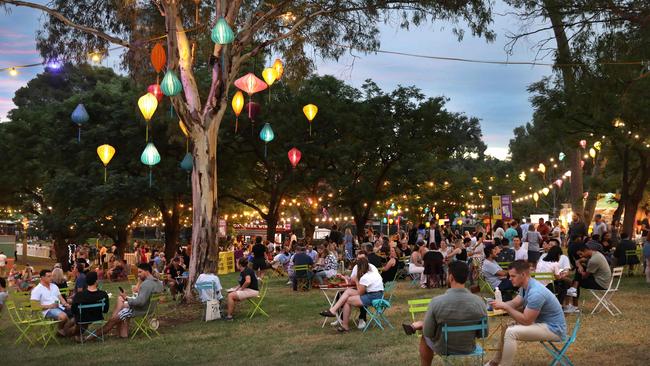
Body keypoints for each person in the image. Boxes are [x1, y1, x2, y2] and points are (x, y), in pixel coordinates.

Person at [401, 261, 487, 365]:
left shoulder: (436, 302)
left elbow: (428, 332)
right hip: (469, 347)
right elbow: (483, 333)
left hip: (445, 348)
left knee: (425, 336)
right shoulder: (479, 302)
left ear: (450, 277)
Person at [486, 260, 567, 366]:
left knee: (511, 332)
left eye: (513, 276)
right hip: (544, 324)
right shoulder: (525, 287)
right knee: (507, 327)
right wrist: (498, 305)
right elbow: (514, 303)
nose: (510, 279)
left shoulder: (536, 292)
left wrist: (505, 307)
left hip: (555, 329)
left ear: (523, 274)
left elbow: (526, 320)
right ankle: (494, 362)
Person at [319, 257, 383, 333]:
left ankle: (342, 323)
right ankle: (334, 312)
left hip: (373, 296)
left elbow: (360, 292)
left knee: (347, 300)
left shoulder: (365, 277)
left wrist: (356, 280)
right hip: (379, 294)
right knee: (348, 292)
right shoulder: (373, 272)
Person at [101, 263, 162, 338]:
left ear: (147, 271)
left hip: (140, 310)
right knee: (122, 305)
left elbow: (140, 302)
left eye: (140, 272)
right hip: (150, 310)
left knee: (113, 319)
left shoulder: (146, 284)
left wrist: (126, 297)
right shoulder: (159, 283)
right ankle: (121, 334)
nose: (138, 275)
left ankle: (95, 335)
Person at [565, 243, 612, 309]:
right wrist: (579, 266)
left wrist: (580, 269)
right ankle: (574, 290)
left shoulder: (593, 260)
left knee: (576, 281)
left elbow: (585, 276)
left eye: (581, 254)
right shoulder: (596, 254)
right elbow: (578, 261)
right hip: (604, 281)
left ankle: (574, 305)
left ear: (585, 250)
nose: (581, 256)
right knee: (577, 279)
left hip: (601, 284)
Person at [31, 269, 74, 336]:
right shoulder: (37, 289)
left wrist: (66, 304)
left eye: (51, 276)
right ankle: (60, 330)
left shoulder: (54, 286)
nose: (51, 278)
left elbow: (61, 298)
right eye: (49, 276)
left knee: (75, 313)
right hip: (47, 310)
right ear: (42, 278)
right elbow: (34, 306)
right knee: (63, 316)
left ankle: (65, 331)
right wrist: (50, 306)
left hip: (60, 307)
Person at [71, 271, 109, 342]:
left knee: (74, 320)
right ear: (96, 281)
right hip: (97, 317)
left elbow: (73, 310)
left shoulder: (79, 295)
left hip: (82, 318)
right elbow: (105, 310)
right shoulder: (103, 294)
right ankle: (75, 334)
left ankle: (75, 334)